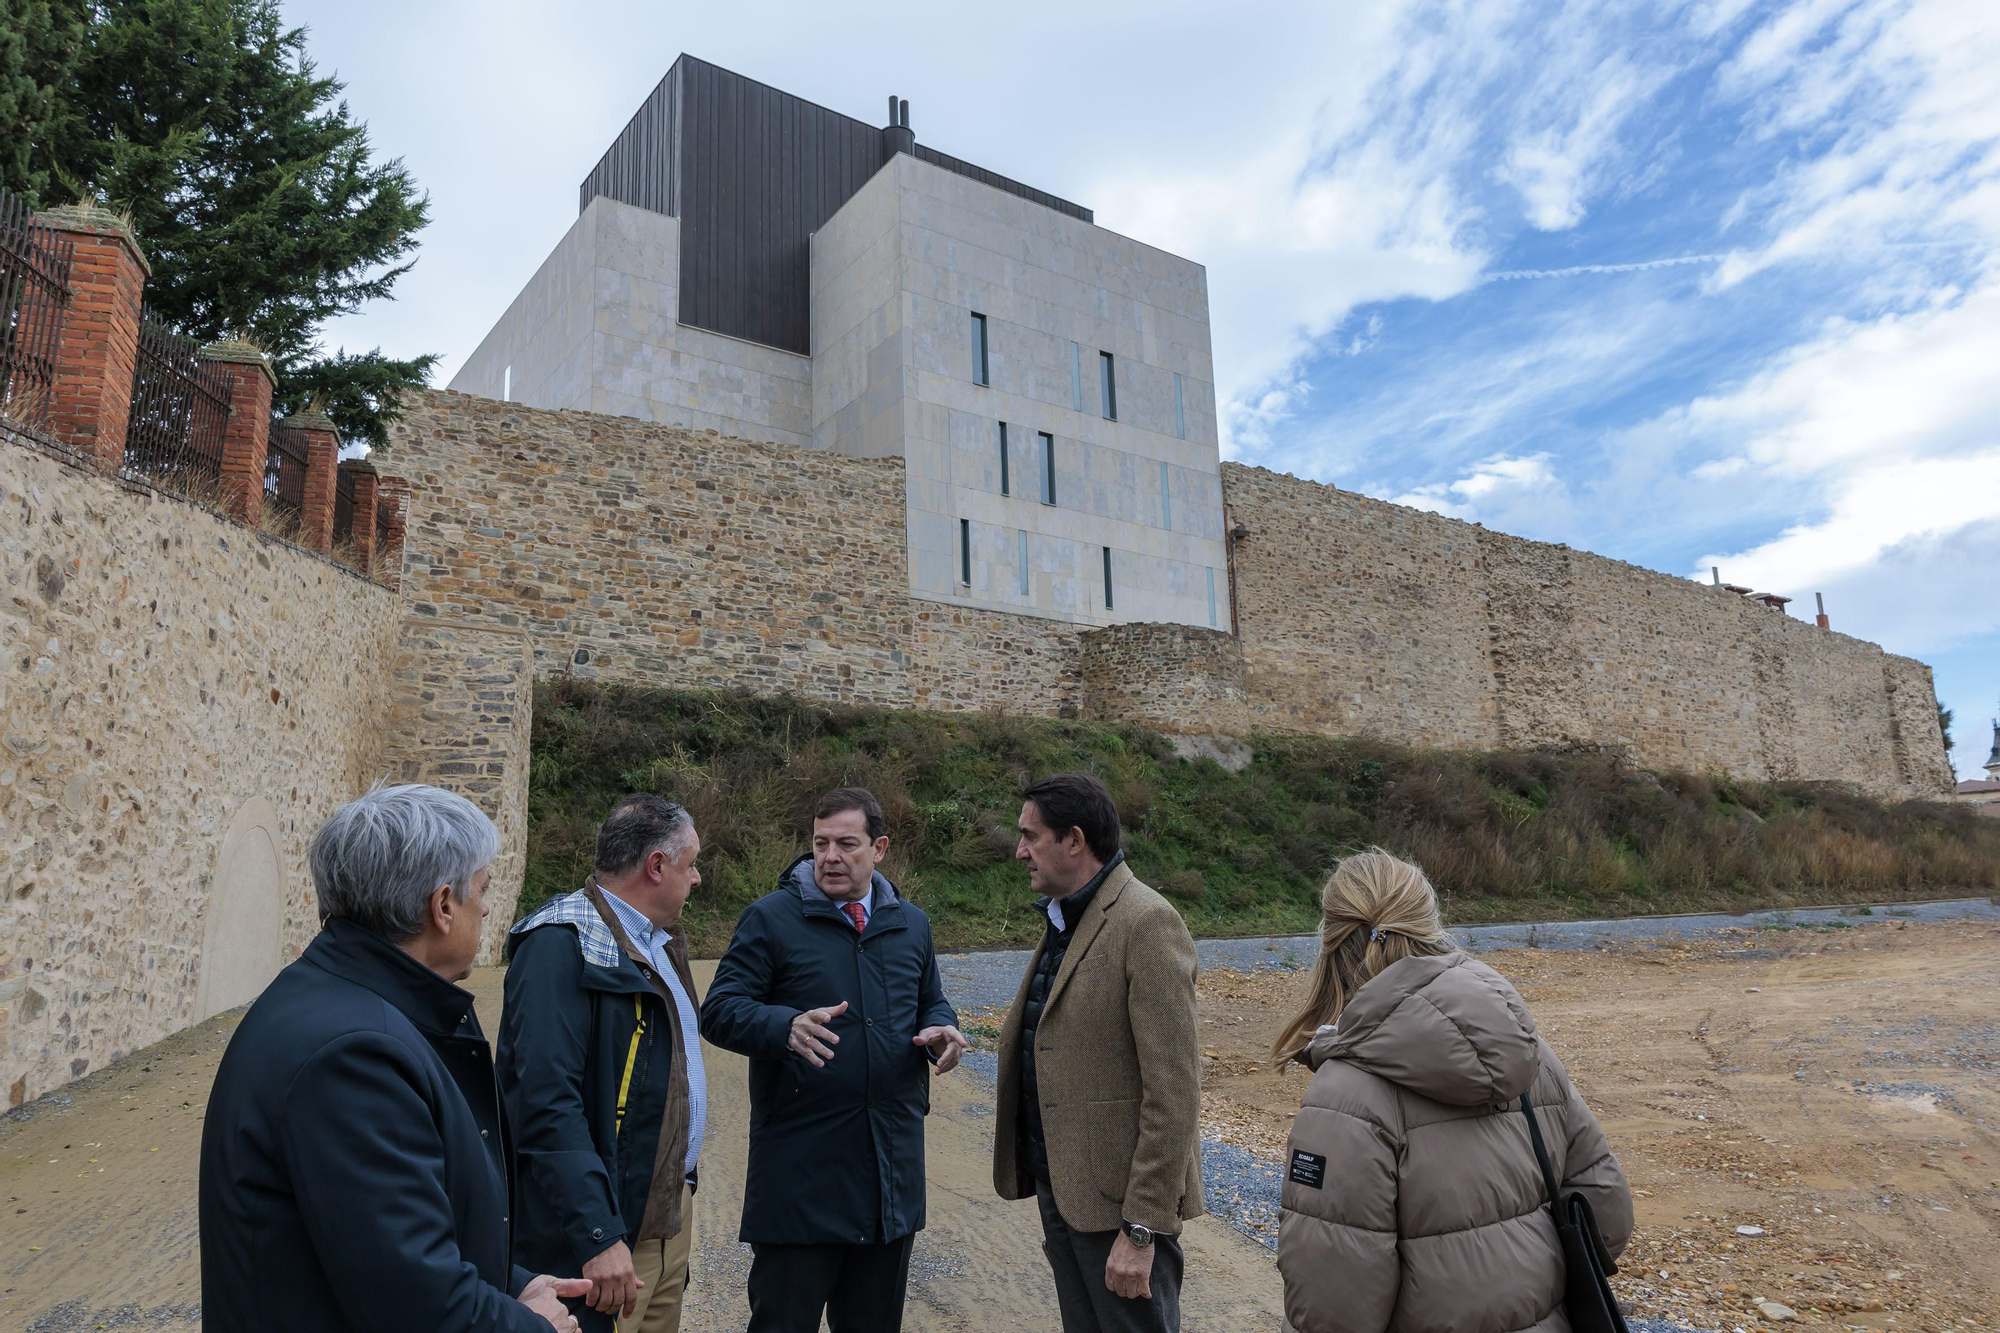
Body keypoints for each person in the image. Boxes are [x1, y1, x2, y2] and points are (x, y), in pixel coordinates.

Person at [199, 783, 592, 1333]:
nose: (486, 906)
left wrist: (508, 1282)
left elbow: (389, 1235)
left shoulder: (354, 1003)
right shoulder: (354, 1056)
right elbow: (413, 1306)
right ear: (443, 906)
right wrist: (531, 1325)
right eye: (482, 888)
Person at [1272, 850, 1634, 1333]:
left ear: (1331, 941)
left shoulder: (1344, 1093)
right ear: (1431, 925)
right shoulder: (1530, 1052)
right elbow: (1607, 1213)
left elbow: (1332, 1305)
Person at [700, 787, 965, 1333]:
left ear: (880, 848)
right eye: (821, 843)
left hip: (889, 1180)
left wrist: (943, 1028)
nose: (830, 857)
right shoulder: (771, 919)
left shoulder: (912, 924)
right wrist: (783, 1024)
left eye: (847, 844)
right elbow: (720, 1009)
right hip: (801, 1180)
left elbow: (930, 1000)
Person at [992, 773, 1203, 1333]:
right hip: (1064, 1194)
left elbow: (1175, 1093)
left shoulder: (1147, 922)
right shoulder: (1067, 917)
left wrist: (1141, 1230)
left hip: (1118, 1213)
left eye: (1030, 836)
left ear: (1075, 841)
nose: (1020, 852)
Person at [499, 795, 708, 1333]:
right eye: (691, 865)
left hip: (663, 1216)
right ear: (656, 867)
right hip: (607, 1232)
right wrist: (598, 1233)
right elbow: (547, 1104)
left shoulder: (660, 943)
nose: (699, 878)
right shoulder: (558, 944)